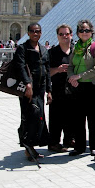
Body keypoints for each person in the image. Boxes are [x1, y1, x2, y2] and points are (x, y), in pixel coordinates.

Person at [67, 19, 95, 156]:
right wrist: (71, 77)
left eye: (87, 30)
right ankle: (79, 147)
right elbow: (70, 66)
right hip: (78, 86)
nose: (84, 32)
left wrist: (79, 76)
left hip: (92, 86)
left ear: (91, 32)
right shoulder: (75, 48)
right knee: (78, 118)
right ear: (78, 33)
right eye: (81, 30)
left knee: (93, 118)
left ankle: (93, 145)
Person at [15, 23, 52, 161]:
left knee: (39, 118)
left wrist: (49, 90)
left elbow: (47, 71)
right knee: (30, 117)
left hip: (40, 89)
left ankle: (31, 146)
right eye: (32, 31)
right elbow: (21, 67)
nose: (35, 33)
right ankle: (28, 146)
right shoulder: (22, 49)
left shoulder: (43, 49)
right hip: (28, 90)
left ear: (41, 33)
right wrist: (27, 84)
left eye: (38, 31)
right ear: (28, 33)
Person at [48, 24, 74, 153]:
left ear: (71, 35)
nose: (64, 36)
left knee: (71, 116)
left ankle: (69, 139)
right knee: (56, 118)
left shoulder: (75, 51)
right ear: (57, 36)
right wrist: (58, 70)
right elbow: (46, 72)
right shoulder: (52, 52)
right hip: (57, 89)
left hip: (73, 90)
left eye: (67, 34)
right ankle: (53, 143)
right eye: (61, 34)